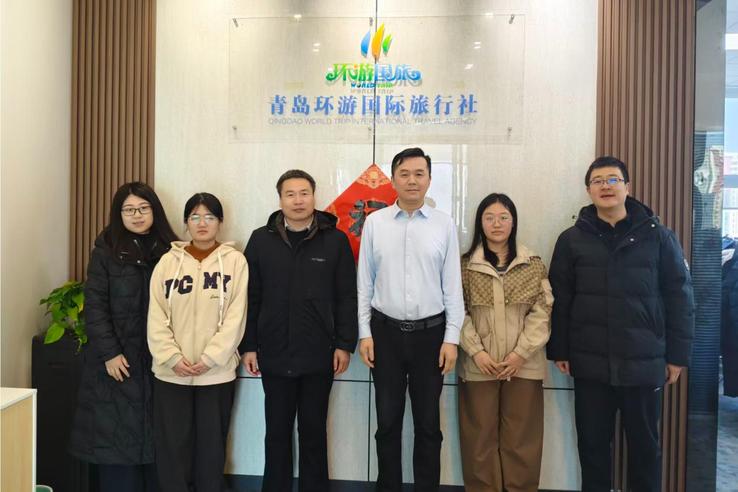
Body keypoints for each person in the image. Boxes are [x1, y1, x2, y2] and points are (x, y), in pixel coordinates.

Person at [547, 156, 695, 492]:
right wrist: (560, 350)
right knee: (592, 449)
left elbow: (680, 298)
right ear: (588, 190)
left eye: (613, 179)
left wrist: (677, 356)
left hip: (643, 363)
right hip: (590, 364)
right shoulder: (571, 239)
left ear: (627, 187)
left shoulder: (659, 237)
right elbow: (560, 299)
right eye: (598, 181)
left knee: (645, 450)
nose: (606, 186)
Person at [240, 169, 357, 492]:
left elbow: (347, 296)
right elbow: (249, 297)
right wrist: (249, 345)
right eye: (290, 194)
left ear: (314, 197)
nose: (298, 200)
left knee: (313, 432)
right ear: (280, 199)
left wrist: (344, 344)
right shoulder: (260, 240)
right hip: (274, 353)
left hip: (319, 354)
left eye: (304, 193)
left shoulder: (335, 240)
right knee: (276, 433)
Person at [357, 147, 464, 492]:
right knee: (387, 423)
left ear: (430, 179)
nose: (412, 180)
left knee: (428, 425)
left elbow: (452, 287)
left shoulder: (443, 224)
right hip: (384, 334)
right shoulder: (375, 223)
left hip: (430, 337)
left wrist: (451, 339)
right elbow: (365, 283)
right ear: (393, 180)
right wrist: (364, 333)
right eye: (404, 174)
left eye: (419, 174)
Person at [69, 182, 178, 492]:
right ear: (119, 214)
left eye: (143, 208)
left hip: (160, 360)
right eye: (129, 210)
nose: (137, 215)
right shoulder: (105, 250)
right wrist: (109, 353)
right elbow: (95, 305)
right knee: (116, 443)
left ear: (155, 211)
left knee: (158, 443)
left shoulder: (171, 251)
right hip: (118, 363)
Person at [147, 193, 248, 492]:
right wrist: (172, 357)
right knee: (172, 446)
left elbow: (236, 316)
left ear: (220, 222)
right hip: (171, 373)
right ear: (186, 222)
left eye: (209, 217)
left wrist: (210, 358)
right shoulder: (167, 262)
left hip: (215, 373)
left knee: (211, 446)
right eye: (195, 217)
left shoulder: (235, 262)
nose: (202, 223)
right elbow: (155, 315)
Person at [457, 193, 552, 492]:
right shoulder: (464, 266)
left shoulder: (532, 263)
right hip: (478, 366)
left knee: (522, 441)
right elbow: (456, 311)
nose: (496, 224)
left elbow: (543, 311)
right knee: (478, 441)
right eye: (489, 218)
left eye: (503, 217)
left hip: (524, 366)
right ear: (480, 223)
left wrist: (520, 354)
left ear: (513, 222)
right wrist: (477, 352)